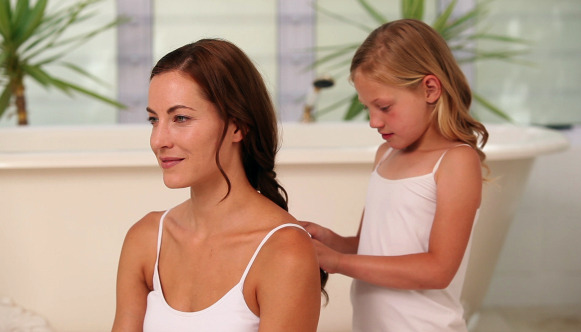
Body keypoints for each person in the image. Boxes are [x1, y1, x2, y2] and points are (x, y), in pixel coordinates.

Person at [112, 39, 326, 332]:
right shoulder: (146, 239)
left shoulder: (283, 251)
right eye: (153, 120)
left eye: (181, 118)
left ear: (237, 126)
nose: (158, 140)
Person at [302, 19, 489, 332]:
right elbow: (370, 249)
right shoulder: (385, 155)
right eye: (368, 109)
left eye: (384, 106)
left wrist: (338, 262)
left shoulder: (455, 162)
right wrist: (330, 242)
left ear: (430, 89)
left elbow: (438, 270)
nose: (375, 121)